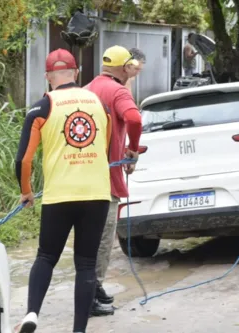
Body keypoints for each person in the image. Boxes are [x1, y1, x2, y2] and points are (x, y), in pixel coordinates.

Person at [15, 48, 112, 333]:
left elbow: (24, 159)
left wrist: (26, 191)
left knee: (46, 256)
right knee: (85, 264)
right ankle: (79, 331)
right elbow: (104, 147)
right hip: (97, 194)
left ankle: (32, 313)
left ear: (47, 77)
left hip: (60, 196)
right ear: (77, 73)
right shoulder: (98, 103)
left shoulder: (42, 107)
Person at [85, 45, 143, 317]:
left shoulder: (86, 90)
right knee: (103, 241)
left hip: (81, 179)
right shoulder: (118, 91)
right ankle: (90, 294)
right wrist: (133, 148)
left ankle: (92, 289)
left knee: (87, 239)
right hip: (105, 181)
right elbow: (133, 118)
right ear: (124, 69)